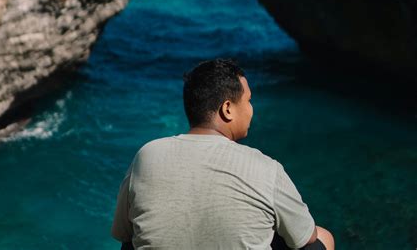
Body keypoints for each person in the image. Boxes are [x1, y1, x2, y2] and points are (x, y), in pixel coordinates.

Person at [112, 58, 334, 250]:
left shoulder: (147, 155)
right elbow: (306, 237)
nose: (251, 109)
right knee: (321, 238)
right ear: (227, 109)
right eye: (248, 100)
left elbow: (124, 235)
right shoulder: (265, 168)